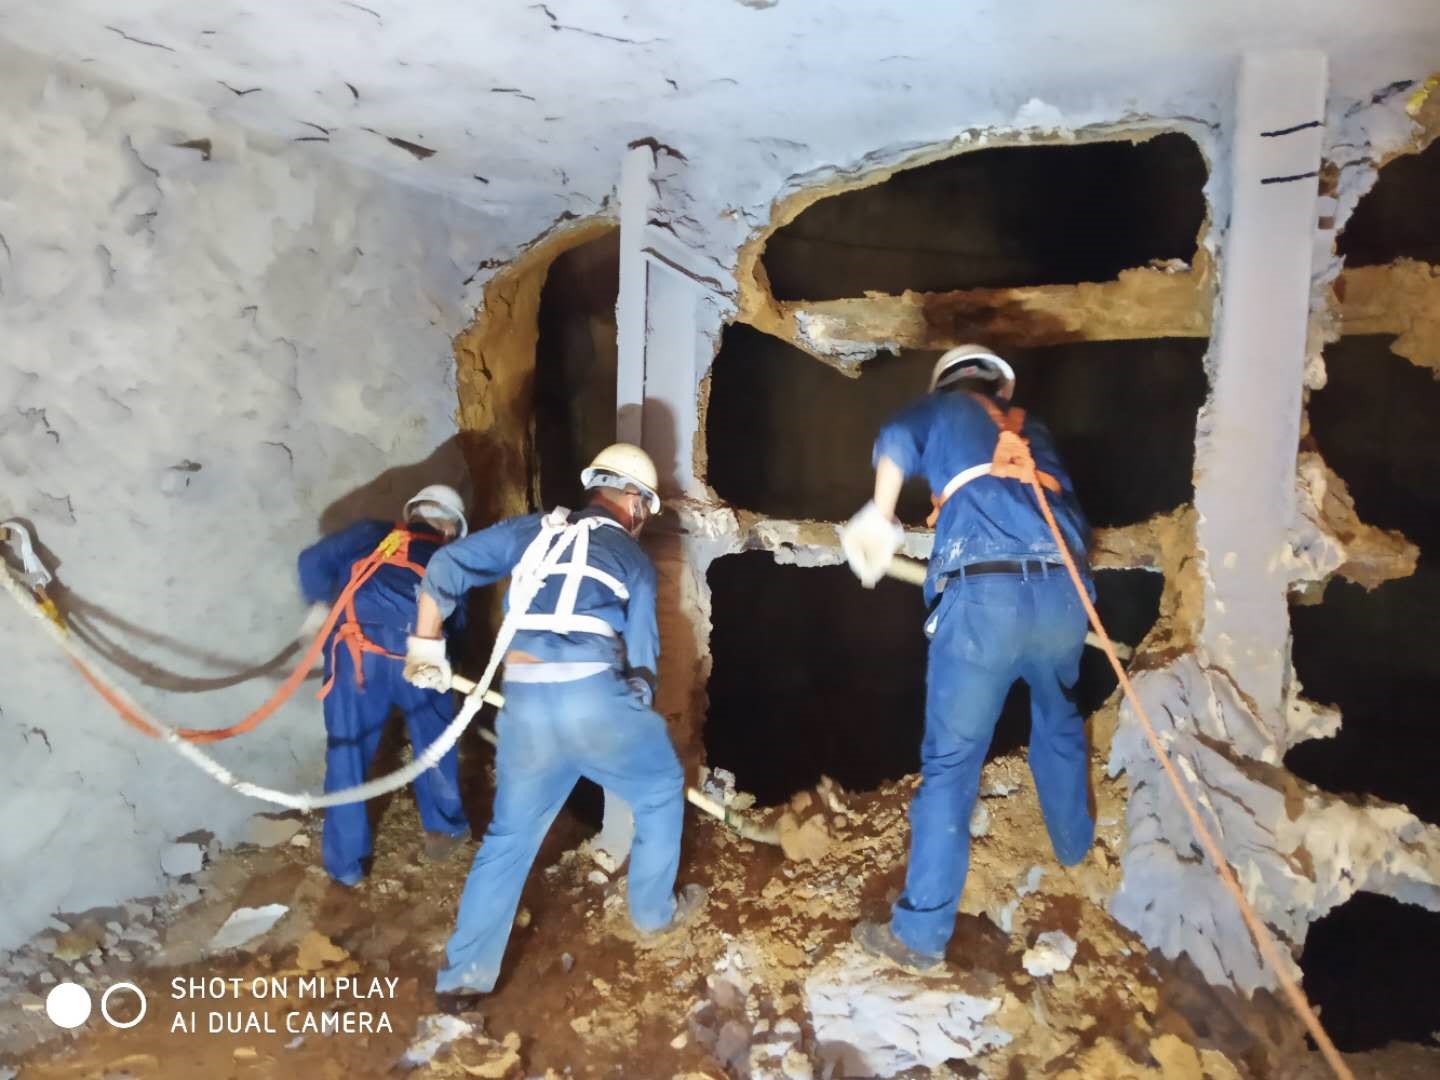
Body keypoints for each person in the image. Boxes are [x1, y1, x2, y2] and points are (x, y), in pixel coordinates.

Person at [404, 443, 702, 1009]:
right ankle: (653, 915)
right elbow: (642, 665)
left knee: (510, 838)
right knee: (661, 786)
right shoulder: (632, 560)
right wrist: (627, 720)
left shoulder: (536, 531)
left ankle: (464, 977)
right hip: (592, 695)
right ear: (634, 502)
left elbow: (444, 566)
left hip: (526, 703)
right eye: (644, 508)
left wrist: (424, 643)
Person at [839, 344, 1095, 970]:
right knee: (1059, 720)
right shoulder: (1033, 430)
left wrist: (879, 515)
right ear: (1000, 388)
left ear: (947, 384)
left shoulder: (945, 409)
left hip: (985, 601)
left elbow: (897, 435)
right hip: (1065, 596)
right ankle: (1075, 850)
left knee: (952, 764)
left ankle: (921, 934)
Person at [296, 484, 471, 886]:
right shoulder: (451, 559)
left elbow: (311, 561)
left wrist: (321, 602)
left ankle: (345, 867)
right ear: (451, 528)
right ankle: (443, 831)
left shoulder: (369, 533)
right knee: (435, 742)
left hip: (354, 652)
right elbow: (458, 622)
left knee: (347, 754)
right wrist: (452, 665)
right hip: (421, 649)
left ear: (414, 512)